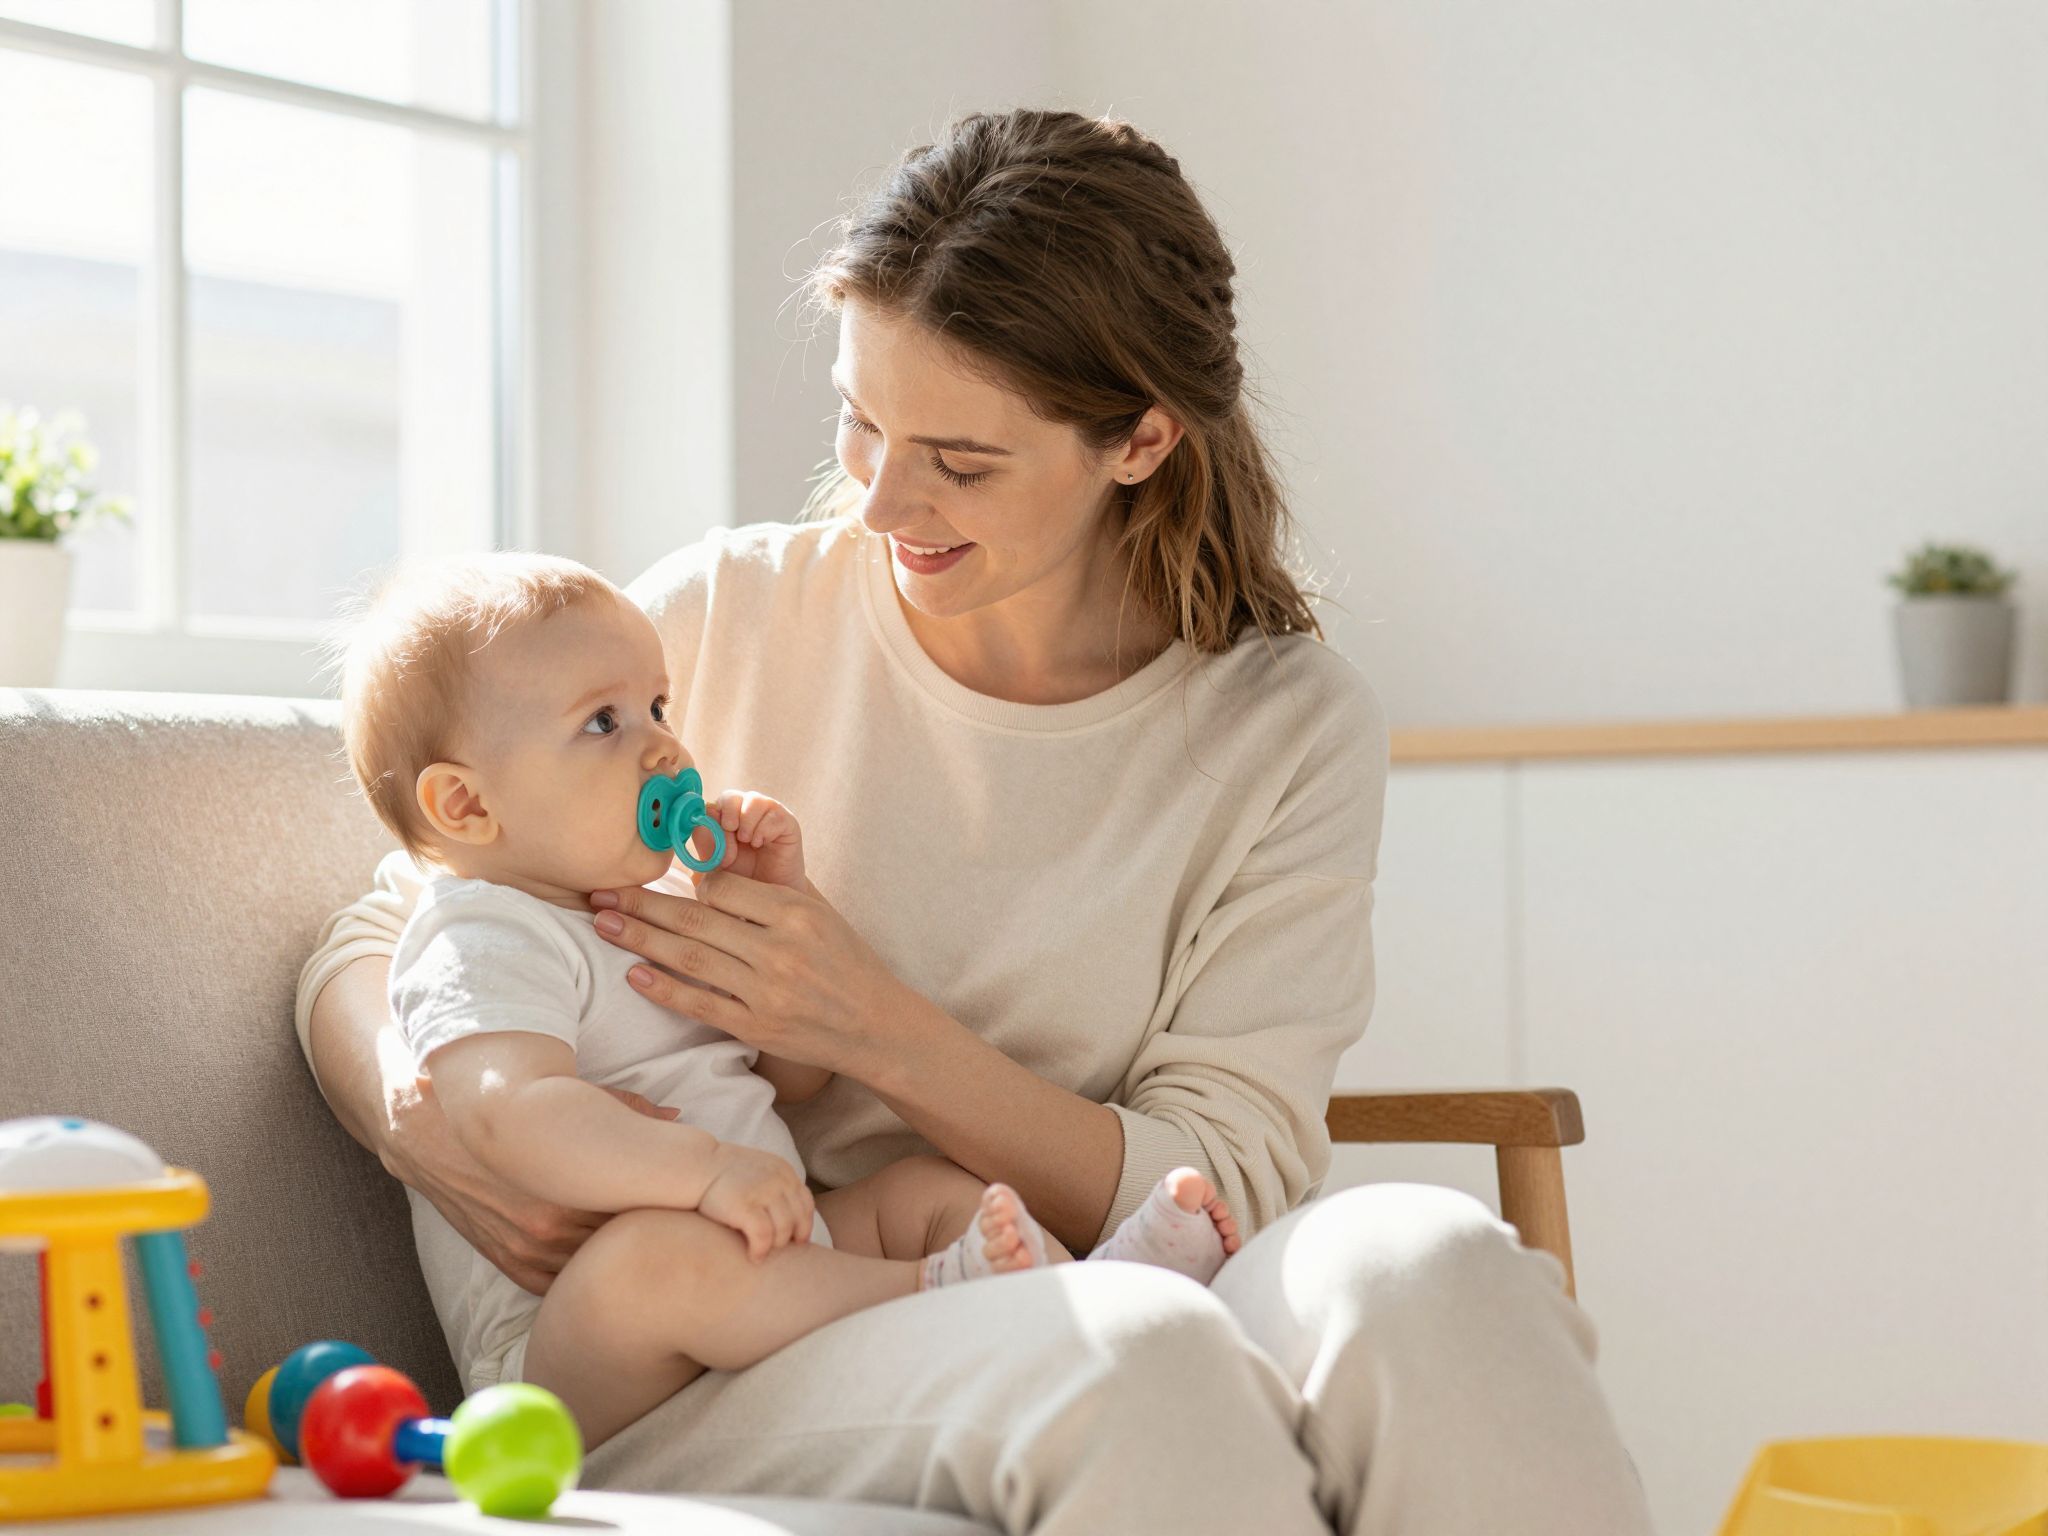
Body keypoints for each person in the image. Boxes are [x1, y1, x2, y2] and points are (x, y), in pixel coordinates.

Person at [298, 108, 1653, 1535]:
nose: (883, 499)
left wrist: (867, 1027)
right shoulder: (730, 612)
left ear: (1138, 441)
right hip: (747, 1320)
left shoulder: (1284, 730)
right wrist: (433, 1119)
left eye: (960, 458)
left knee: (1434, 1265)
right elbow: (402, 916)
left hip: (1092, 1252)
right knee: (1129, 1353)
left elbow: (1228, 1166)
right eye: (861, 421)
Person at [330, 551, 1242, 1446]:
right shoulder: (484, 933)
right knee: (651, 1264)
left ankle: (1093, 1288)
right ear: (463, 806)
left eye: (656, 706)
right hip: (573, 1356)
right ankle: (938, 1290)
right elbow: (508, 1114)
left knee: (926, 1191)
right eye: (602, 724)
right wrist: (704, 1173)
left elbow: (790, 1081)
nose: (663, 744)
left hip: (769, 1248)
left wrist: (777, 908)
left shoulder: (652, 909)